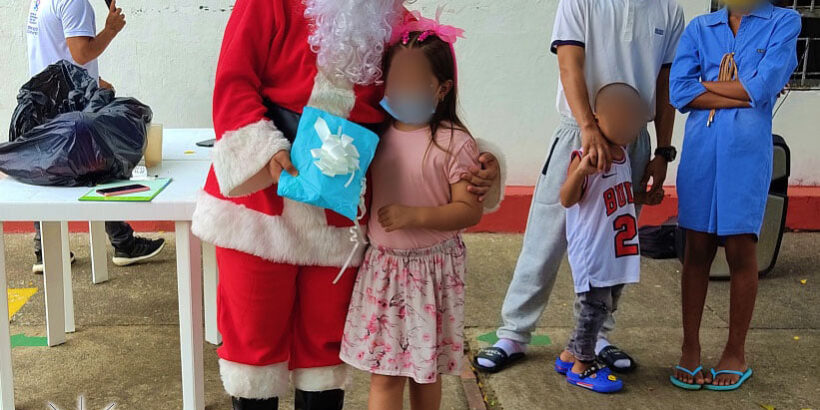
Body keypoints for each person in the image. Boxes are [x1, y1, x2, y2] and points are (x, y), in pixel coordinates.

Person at [190, 1, 502, 408]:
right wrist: (265, 150)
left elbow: (431, 117)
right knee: (253, 348)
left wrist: (476, 167)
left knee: (325, 349)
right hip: (261, 207)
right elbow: (233, 83)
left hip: (344, 216)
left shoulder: (404, 24)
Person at [474, 0, 684, 373]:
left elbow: (664, 83)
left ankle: (595, 336)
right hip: (580, 131)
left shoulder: (669, 10)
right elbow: (569, 64)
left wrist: (663, 150)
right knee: (546, 238)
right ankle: (514, 333)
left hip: (634, 139)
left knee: (614, 247)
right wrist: (588, 126)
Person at [339, 16, 480, 410]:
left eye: (416, 81)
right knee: (384, 374)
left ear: (442, 88)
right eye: (397, 80)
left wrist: (414, 216)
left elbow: (469, 210)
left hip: (431, 272)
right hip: (383, 269)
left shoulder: (454, 143)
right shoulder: (374, 137)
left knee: (425, 372)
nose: (404, 89)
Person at [669, 0, 800, 391]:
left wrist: (707, 86)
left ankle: (735, 352)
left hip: (746, 155)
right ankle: (690, 348)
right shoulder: (700, 28)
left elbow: (763, 87)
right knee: (696, 248)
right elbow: (679, 91)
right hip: (701, 153)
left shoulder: (783, 22)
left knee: (742, 249)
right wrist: (741, 93)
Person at [25, 0, 165, 273]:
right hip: (71, 109)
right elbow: (80, 53)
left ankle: (46, 250)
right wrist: (110, 30)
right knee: (103, 167)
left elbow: (52, 52)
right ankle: (123, 243)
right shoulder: (74, 2)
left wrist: (93, 81)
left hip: (45, 101)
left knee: (51, 174)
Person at [557, 83, 646, 394]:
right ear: (596, 118)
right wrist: (581, 171)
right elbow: (566, 198)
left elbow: (618, 195)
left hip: (616, 250)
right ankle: (583, 364)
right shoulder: (587, 156)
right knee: (593, 308)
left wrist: (644, 197)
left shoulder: (623, 155)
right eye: (617, 117)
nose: (626, 125)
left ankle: (569, 354)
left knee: (606, 306)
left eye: (632, 118)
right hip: (594, 251)